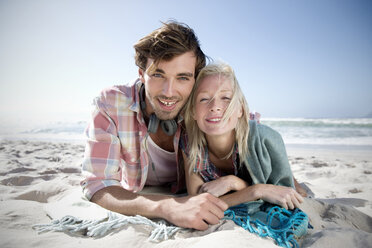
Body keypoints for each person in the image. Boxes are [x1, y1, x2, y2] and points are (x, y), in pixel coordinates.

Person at [80, 21, 228, 230]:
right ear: (141, 74)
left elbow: (251, 128)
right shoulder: (111, 103)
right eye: (158, 74)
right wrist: (168, 207)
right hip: (140, 191)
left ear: (195, 79)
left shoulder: (204, 102)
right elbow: (97, 184)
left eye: (182, 78)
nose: (169, 91)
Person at [181, 62, 304, 210]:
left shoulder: (265, 138)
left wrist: (234, 183)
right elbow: (198, 202)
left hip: (247, 135)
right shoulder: (190, 143)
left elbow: (282, 192)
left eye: (226, 98)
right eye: (204, 99)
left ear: (240, 109)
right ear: (193, 111)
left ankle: (295, 179)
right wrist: (256, 190)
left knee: (299, 190)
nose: (215, 106)